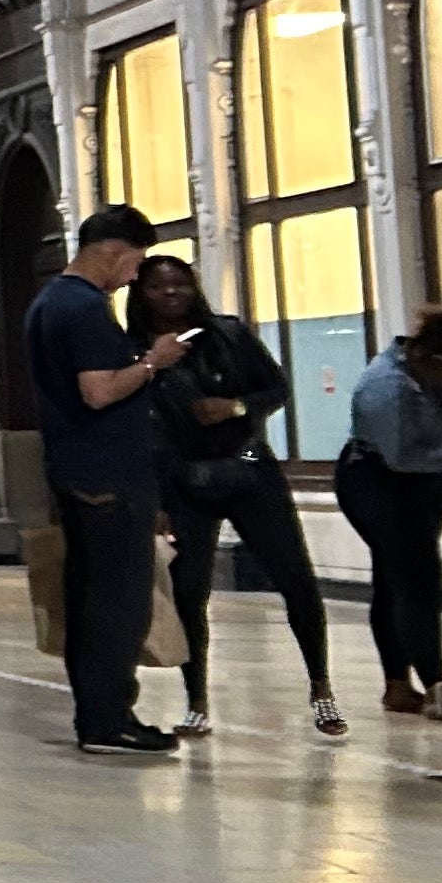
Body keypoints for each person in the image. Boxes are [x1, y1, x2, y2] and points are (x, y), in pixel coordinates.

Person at [134, 254, 341, 738]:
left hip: (247, 462)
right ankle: (197, 699)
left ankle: (321, 686)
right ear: (141, 295)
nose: (171, 294)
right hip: (184, 475)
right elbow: (144, 432)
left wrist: (237, 405)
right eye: (159, 287)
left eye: (180, 285)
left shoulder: (227, 335)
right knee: (190, 592)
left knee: (296, 578)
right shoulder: (139, 351)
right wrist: (156, 499)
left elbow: (277, 388)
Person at [22, 204, 187, 755]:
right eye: (135, 262)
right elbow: (97, 391)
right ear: (116, 251)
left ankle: (98, 715)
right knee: (118, 601)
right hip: (107, 475)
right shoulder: (85, 309)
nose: (136, 275)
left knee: (90, 596)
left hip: (75, 471)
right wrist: (152, 362)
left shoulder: (49, 302)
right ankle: (109, 717)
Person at [339, 310, 442, 717]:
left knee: (397, 577)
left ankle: (399, 684)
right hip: (377, 478)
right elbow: (402, 457)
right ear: (426, 359)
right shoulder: (386, 388)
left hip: (417, 480)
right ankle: (435, 686)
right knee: (418, 576)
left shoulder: (422, 369)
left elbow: (437, 434)